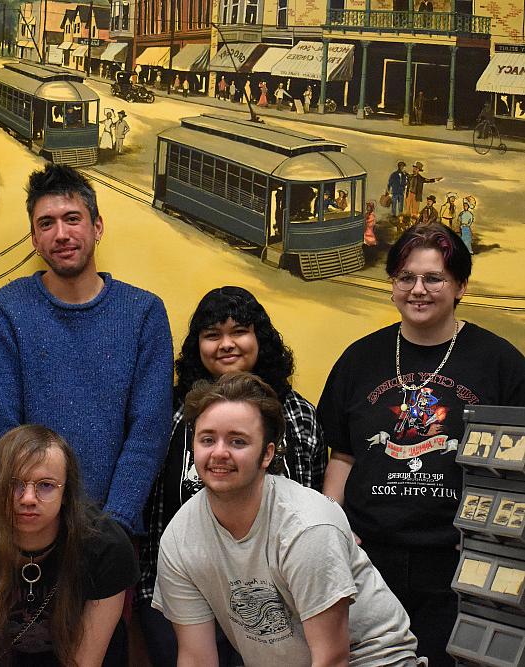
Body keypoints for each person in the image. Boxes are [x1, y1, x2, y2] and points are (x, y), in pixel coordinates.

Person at [319, 223, 525, 666]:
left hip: (458, 565)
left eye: (434, 278)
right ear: (392, 286)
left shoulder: (502, 363)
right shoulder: (359, 359)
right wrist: (335, 531)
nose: (418, 290)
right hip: (368, 560)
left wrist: (496, 542)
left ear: (460, 286)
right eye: (405, 277)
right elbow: (342, 455)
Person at [154, 372, 421, 666]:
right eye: (207, 439)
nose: (219, 453)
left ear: (267, 454)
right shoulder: (180, 537)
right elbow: (195, 657)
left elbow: (332, 657)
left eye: (237, 441)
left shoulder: (307, 527)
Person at [0, 164, 172, 538]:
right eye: (46, 223)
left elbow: (149, 429)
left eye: (72, 218)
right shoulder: (5, 311)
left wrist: (116, 523)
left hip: (115, 535)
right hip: (27, 532)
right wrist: (36, 519)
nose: (61, 234)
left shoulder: (143, 313)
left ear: (97, 227)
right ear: (34, 238)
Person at [137, 287, 327, 666]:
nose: (226, 344)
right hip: (182, 591)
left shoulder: (297, 414)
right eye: (212, 335)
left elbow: (310, 498)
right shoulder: (171, 412)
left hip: (274, 603)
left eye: (239, 331)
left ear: (260, 339)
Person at [0, 425, 139, 666]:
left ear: (66, 492)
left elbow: (85, 663)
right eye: (13, 484)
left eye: (46, 485)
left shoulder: (106, 546)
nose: (28, 498)